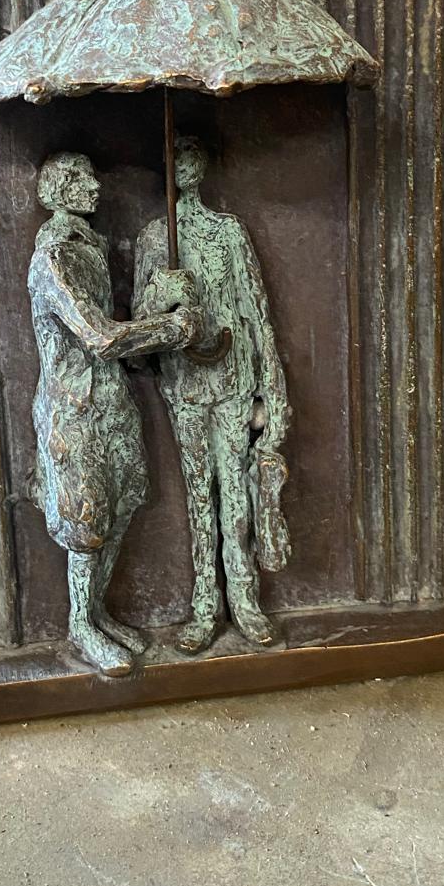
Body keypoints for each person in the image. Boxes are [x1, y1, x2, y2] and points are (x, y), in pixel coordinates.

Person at [28, 152, 199, 675]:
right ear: (57, 192)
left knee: (121, 505)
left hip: (111, 400)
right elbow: (100, 337)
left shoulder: (90, 249)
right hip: (74, 407)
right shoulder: (55, 256)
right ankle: (80, 625)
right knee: (87, 520)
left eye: (93, 174)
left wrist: (160, 301)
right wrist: (172, 328)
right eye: (81, 178)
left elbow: (116, 325)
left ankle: (96, 611)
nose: (95, 185)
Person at [135, 137, 292, 653]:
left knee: (236, 494)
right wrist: (160, 296)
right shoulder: (155, 237)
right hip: (186, 383)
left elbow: (257, 312)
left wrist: (273, 390)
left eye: (191, 154)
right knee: (199, 496)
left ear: (203, 165)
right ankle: (205, 604)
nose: (183, 164)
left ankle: (244, 598)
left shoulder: (229, 231)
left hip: (233, 379)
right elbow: (139, 329)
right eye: (174, 156)